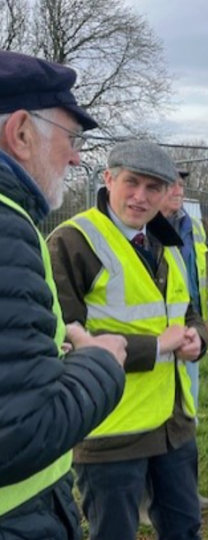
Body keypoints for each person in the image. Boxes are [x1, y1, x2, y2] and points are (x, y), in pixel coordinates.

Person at [48, 140, 208, 540]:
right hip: (110, 429)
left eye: (153, 187)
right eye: (131, 183)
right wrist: (158, 347)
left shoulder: (165, 241)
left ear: (167, 192)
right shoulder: (73, 241)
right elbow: (63, 340)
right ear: (108, 179)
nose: (141, 196)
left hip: (173, 424)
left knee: (185, 527)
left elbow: (186, 312)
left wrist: (197, 340)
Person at [0, 50, 128, 540]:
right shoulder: (8, 229)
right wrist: (101, 361)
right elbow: (20, 431)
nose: (76, 155)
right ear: (21, 133)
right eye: (70, 138)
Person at [158, 167, 208, 513]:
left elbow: (192, 283)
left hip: (189, 332)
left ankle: (183, 493)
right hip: (152, 340)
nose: (179, 188)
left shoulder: (191, 226)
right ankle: (148, 500)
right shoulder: (141, 229)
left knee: (186, 414)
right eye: (171, 182)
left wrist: (199, 328)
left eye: (181, 182)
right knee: (152, 420)